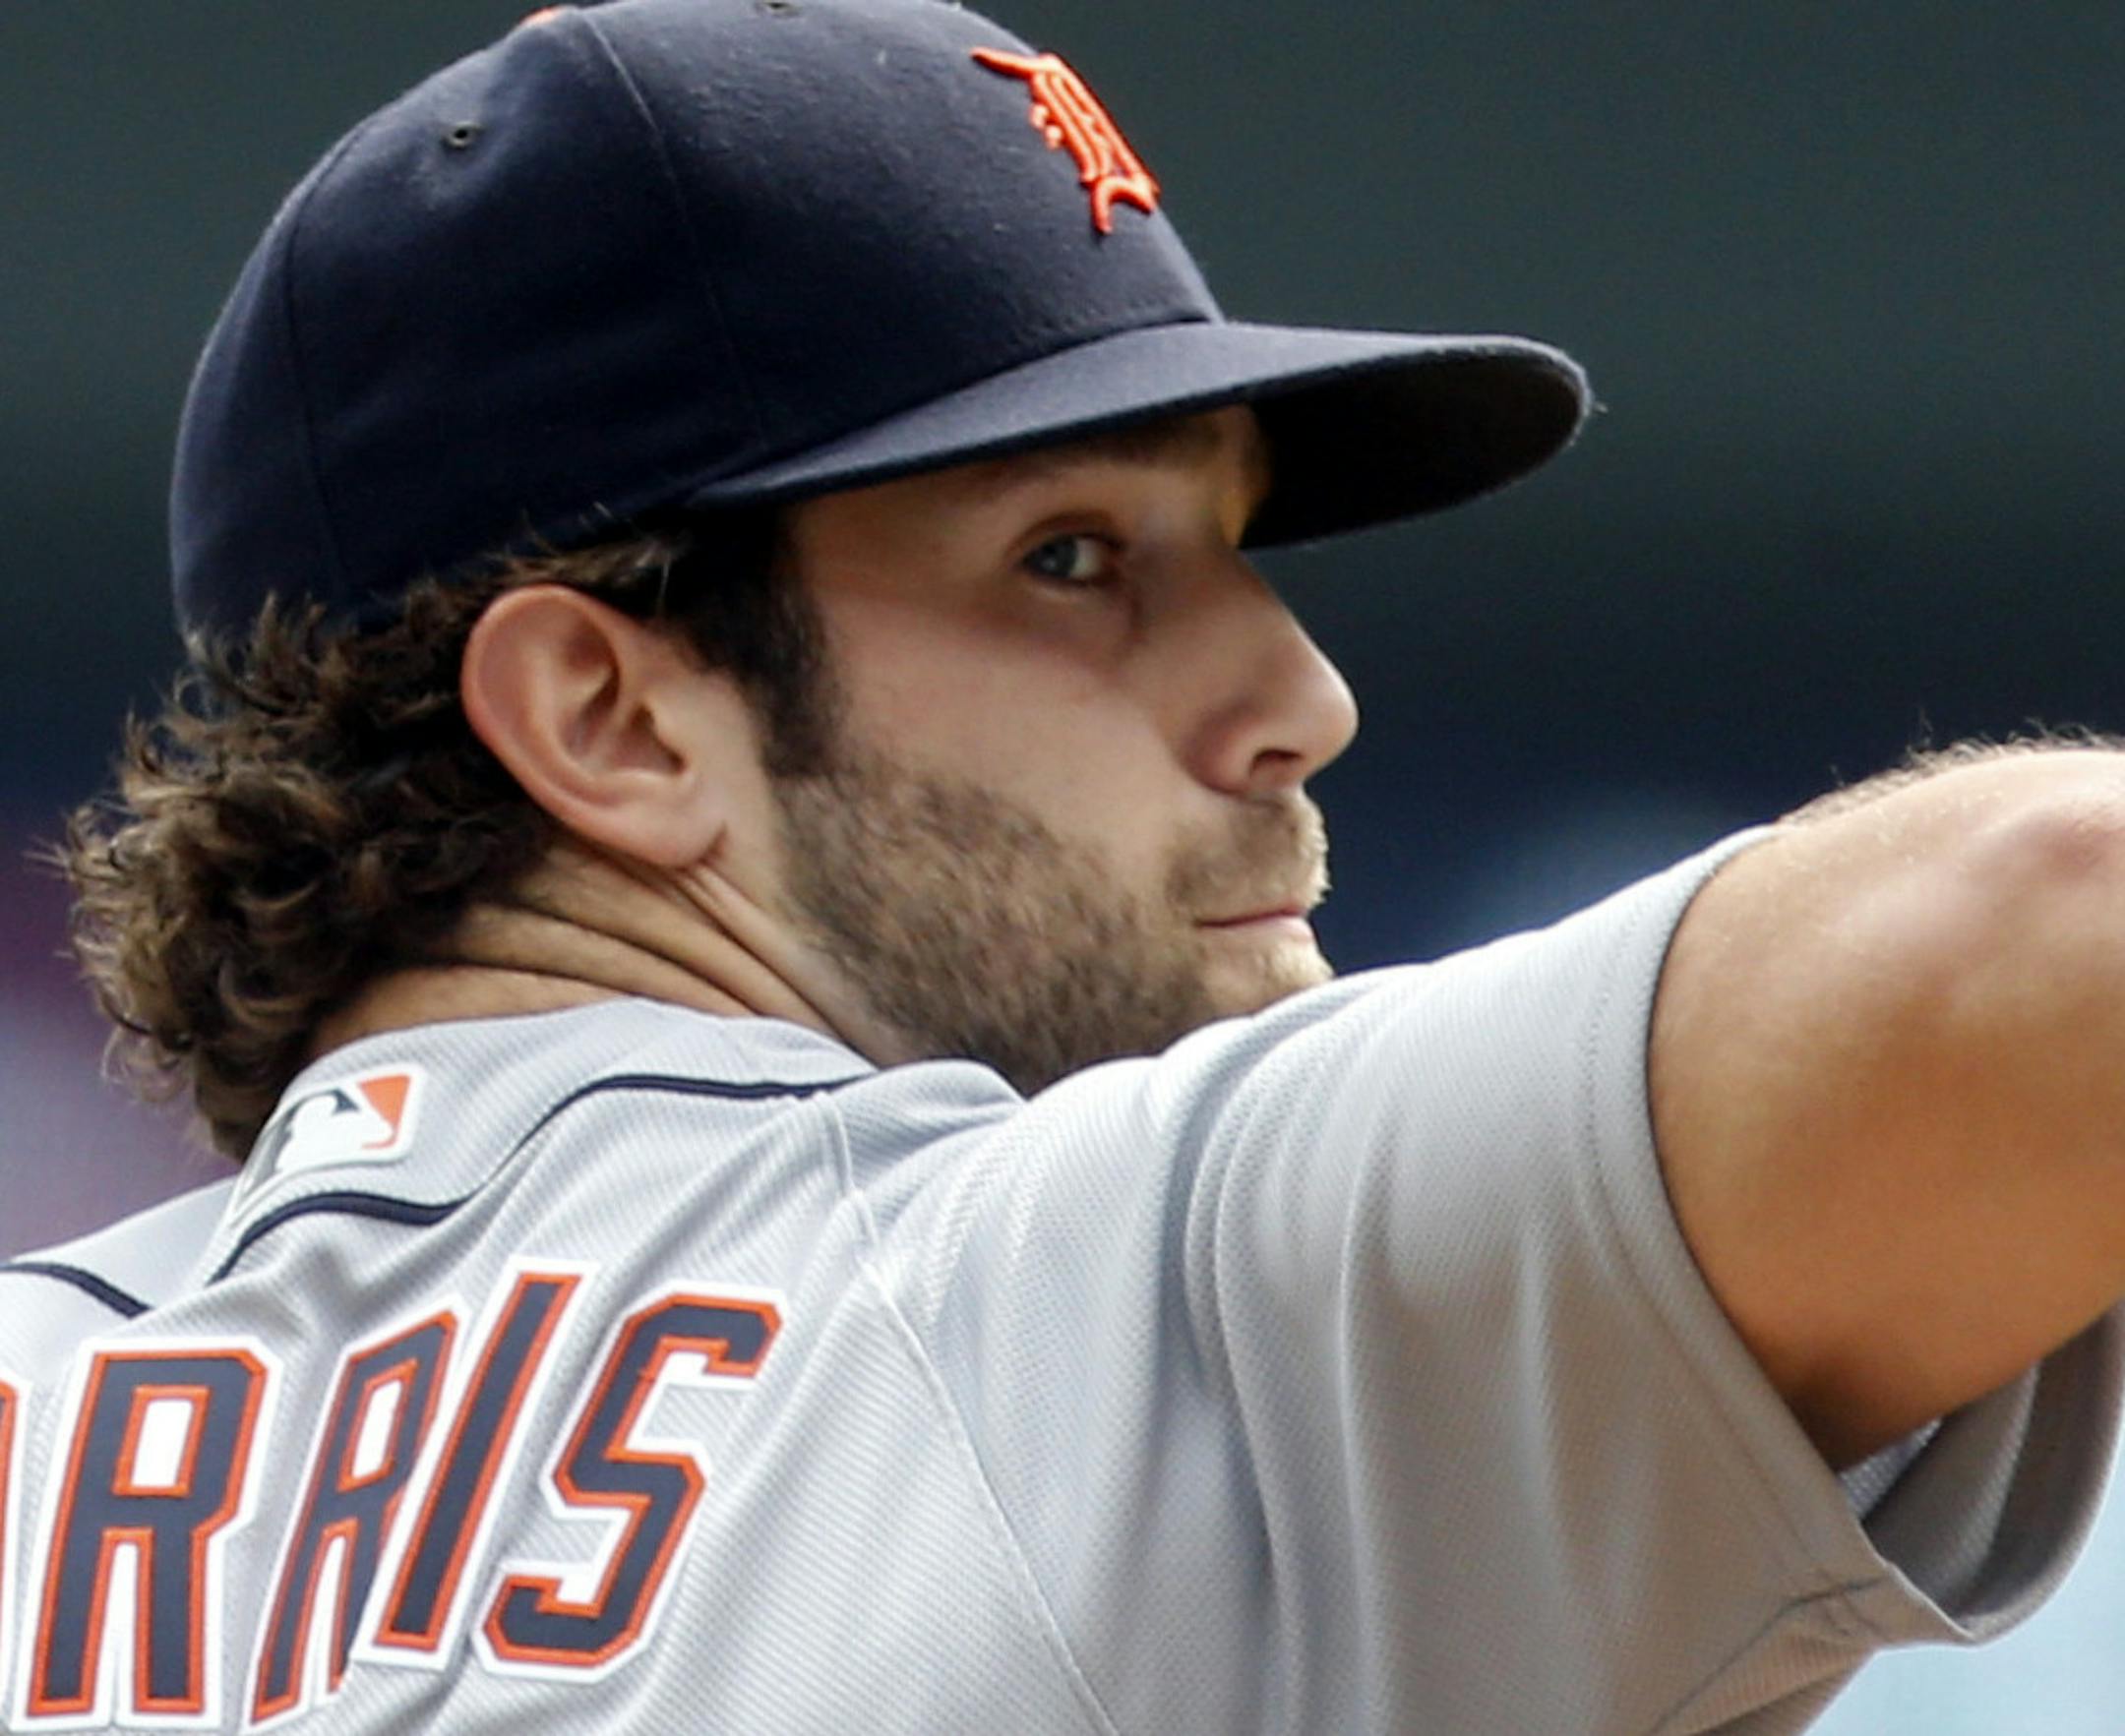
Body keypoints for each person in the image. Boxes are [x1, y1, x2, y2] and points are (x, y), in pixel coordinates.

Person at [6, 0, 2120, 1729]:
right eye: (1075, 558)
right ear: (613, 718)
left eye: (1233, 546)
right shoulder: (1087, 1299)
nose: (1297, 693)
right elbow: (2054, 919)